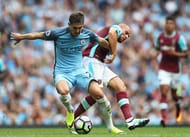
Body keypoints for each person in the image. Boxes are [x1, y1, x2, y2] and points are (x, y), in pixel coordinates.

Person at [10, 11, 119, 134]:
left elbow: (103, 42)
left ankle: (110, 126)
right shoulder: (58, 33)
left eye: (80, 28)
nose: (77, 31)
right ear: (69, 24)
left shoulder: (87, 34)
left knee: (99, 94)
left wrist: (113, 50)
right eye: (75, 28)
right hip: (62, 72)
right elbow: (38, 35)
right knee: (63, 91)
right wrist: (21, 37)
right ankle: (70, 111)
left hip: (80, 71)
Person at [74, 23, 150, 131]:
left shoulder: (113, 37)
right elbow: (112, 33)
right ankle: (72, 117)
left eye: (129, 36)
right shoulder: (114, 28)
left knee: (120, 86)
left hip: (100, 63)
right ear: (122, 27)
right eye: (126, 33)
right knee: (97, 93)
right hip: (91, 60)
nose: (126, 37)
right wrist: (114, 54)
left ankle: (130, 120)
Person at [154, 16, 189, 127]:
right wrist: (161, 53)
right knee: (164, 91)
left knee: (175, 94)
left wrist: (175, 54)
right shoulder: (160, 37)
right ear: (165, 25)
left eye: (171, 23)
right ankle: (164, 118)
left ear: (174, 25)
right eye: (167, 23)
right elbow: (158, 48)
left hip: (175, 70)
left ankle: (178, 107)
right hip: (163, 68)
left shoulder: (179, 38)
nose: (169, 25)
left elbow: (186, 53)